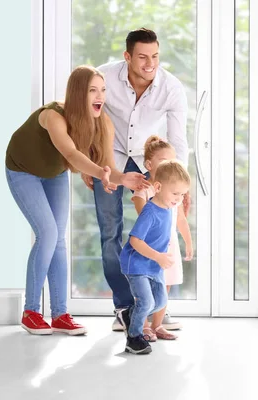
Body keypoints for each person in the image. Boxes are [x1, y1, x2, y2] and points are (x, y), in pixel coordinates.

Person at [5, 65, 150, 336]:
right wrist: (102, 174)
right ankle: (31, 312)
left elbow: (106, 166)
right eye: (92, 90)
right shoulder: (53, 116)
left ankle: (59, 314)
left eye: (103, 90)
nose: (100, 96)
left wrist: (125, 179)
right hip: (22, 170)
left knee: (58, 238)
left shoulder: (101, 122)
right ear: (76, 94)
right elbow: (72, 154)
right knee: (46, 233)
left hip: (53, 173)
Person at [80, 28, 191, 331]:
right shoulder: (103, 78)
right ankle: (125, 307)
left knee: (159, 232)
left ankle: (154, 307)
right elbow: (86, 120)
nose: (150, 63)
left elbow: (179, 141)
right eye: (142, 57)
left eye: (155, 56)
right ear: (127, 56)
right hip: (110, 159)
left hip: (149, 161)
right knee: (110, 231)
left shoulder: (171, 88)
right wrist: (87, 165)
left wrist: (179, 180)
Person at [117, 160, 192, 354]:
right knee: (147, 302)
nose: (179, 198)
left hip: (154, 265)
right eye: (175, 193)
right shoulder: (150, 212)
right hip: (137, 265)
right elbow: (135, 241)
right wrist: (158, 256)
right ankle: (133, 338)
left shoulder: (170, 208)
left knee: (159, 302)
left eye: (182, 194)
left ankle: (129, 314)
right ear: (157, 187)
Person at [132, 136, 193, 341]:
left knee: (165, 285)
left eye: (172, 161)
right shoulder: (146, 189)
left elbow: (181, 220)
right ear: (149, 164)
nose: (170, 165)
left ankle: (157, 325)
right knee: (146, 286)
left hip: (169, 246)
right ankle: (144, 325)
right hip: (150, 246)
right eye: (164, 161)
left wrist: (189, 243)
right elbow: (144, 216)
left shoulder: (174, 194)